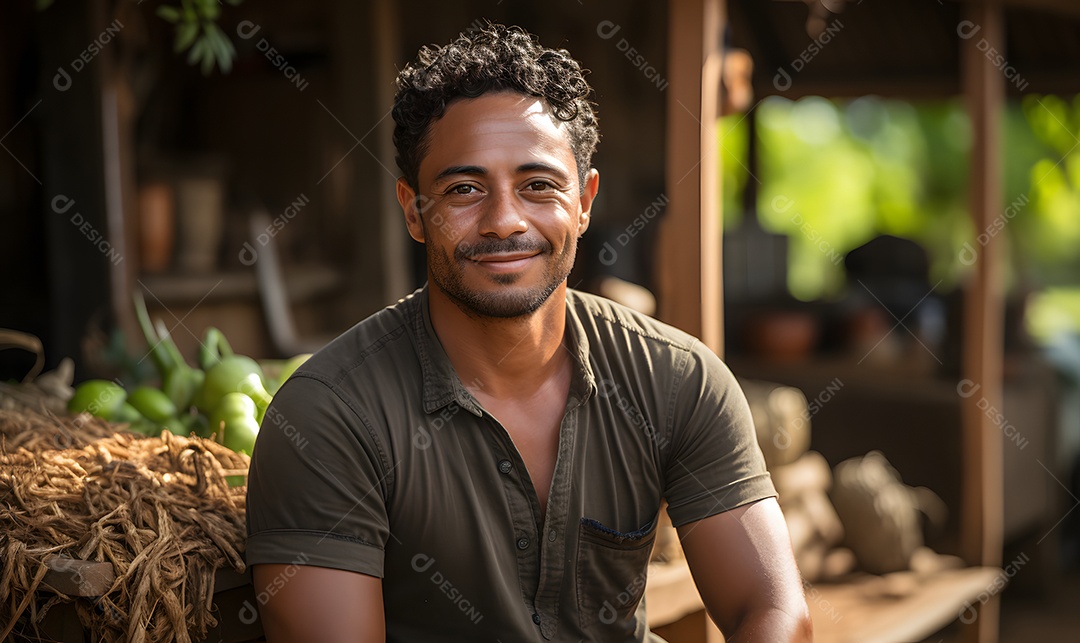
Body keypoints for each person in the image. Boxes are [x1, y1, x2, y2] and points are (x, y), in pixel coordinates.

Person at [245, 22, 811, 642]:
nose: (503, 221)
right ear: (413, 209)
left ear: (585, 200)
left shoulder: (677, 379)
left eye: (538, 185)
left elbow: (772, 609)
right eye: (464, 189)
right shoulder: (330, 417)